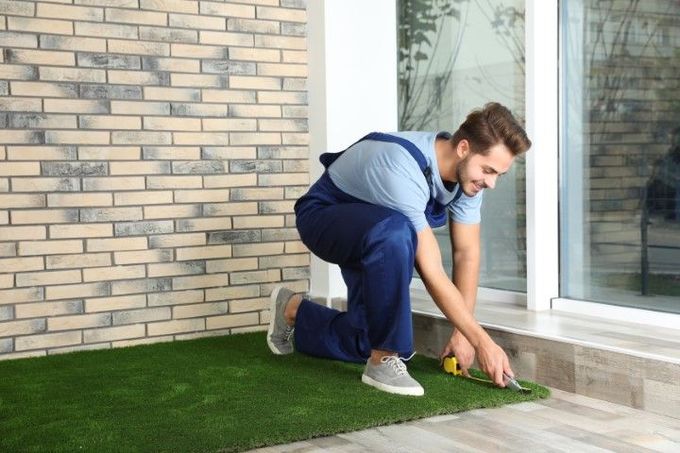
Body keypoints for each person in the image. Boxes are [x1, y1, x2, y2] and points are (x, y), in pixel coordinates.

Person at [266, 102, 532, 396]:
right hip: (324, 217)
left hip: (375, 231)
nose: (491, 183)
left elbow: (466, 253)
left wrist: (463, 335)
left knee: (363, 339)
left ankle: (293, 310)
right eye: (488, 170)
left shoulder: (469, 178)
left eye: (498, 175)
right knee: (398, 232)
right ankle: (384, 359)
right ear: (464, 148)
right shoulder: (401, 166)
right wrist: (483, 342)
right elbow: (430, 267)